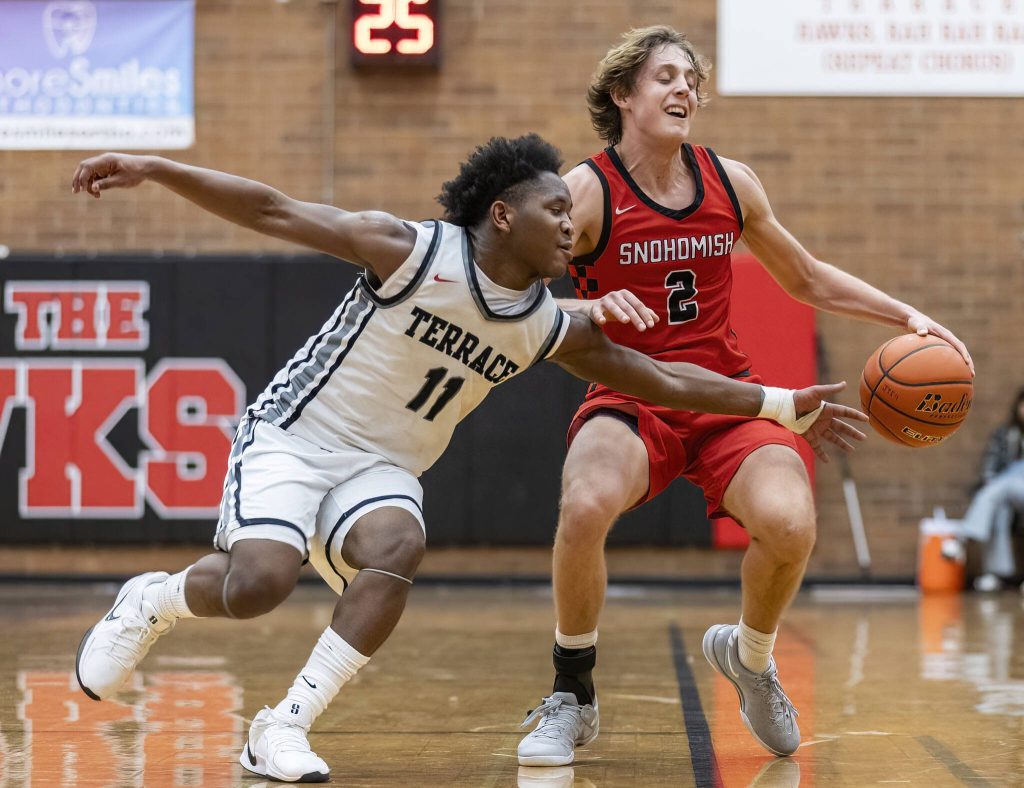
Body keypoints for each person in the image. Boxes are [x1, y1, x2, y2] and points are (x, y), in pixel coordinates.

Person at [69, 134, 865, 783]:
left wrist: (775, 403)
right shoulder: (409, 250)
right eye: (555, 210)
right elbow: (273, 208)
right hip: (295, 437)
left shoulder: (545, 325)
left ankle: (283, 726)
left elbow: (658, 377)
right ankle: (153, 601)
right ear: (502, 214)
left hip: (380, 468)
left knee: (399, 546)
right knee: (258, 586)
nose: (570, 227)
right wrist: (154, 167)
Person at [517, 26, 974, 765]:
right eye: (665, 76)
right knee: (585, 502)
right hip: (634, 397)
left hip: (726, 397)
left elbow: (807, 277)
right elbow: (511, 301)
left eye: (692, 79)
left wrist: (908, 316)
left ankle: (752, 659)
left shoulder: (730, 180)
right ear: (622, 94)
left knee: (792, 524)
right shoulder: (586, 191)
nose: (684, 90)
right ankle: (573, 692)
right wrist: (587, 310)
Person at [944, 388, 1024, 591]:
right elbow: (989, 468)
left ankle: (962, 539)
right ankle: (997, 574)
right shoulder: (1005, 435)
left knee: (1002, 486)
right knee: (999, 508)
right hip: (1007, 496)